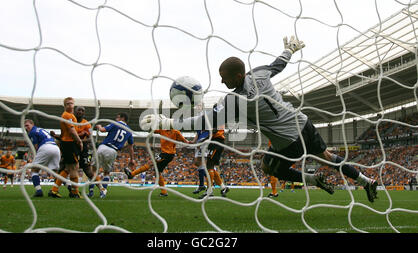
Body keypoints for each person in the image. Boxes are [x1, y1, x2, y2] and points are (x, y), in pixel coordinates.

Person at [141, 35, 379, 203]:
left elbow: (205, 121)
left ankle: (314, 180)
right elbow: (278, 65)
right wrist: (291, 49)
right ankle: (366, 180)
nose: (222, 82)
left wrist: (168, 123)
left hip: (288, 141)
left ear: (237, 75)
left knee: (267, 167)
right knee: (327, 156)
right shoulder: (259, 74)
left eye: (224, 78)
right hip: (302, 121)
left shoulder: (236, 101)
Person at [125, 129, 189, 197]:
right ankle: (164, 192)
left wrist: (190, 142)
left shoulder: (176, 132)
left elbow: (185, 141)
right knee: (157, 173)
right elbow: (151, 130)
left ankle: (132, 174)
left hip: (168, 154)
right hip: (164, 154)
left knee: (150, 163)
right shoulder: (162, 130)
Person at [48, 97, 84, 198]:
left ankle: (54, 190)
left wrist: (56, 136)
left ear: (74, 105)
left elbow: (65, 133)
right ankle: (74, 192)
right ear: (64, 106)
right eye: (67, 104)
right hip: (70, 144)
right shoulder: (67, 115)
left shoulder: (71, 115)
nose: (70, 105)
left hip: (67, 143)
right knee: (74, 168)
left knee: (69, 168)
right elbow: (72, 131)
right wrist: (80, 141)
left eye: (71, 103)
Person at [93, 112, 135, 198]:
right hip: (113, 151)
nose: (116, 119)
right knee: (106, 173)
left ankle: (91, 191)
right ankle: (103, 193)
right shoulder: (129, 131)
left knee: (93, 170)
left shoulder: (116, 124)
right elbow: (131, 147)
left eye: (118, 117)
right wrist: (132, 159)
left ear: (122, 118)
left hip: (103, 147)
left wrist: (99, 126)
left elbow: (102, 130)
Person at [73, 106, 106, 197]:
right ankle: (72, 191)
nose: (80, 112)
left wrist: (78, 140)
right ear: (75, 111)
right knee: (66, 167)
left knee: (88, 171)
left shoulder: (86, 124)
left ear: (84, 113)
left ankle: (102, 189)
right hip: (71, 148)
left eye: (82, 111)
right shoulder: (70, 121)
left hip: (83, 149)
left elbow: (89, 139)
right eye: (79, 110)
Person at [24, 119, 61, 197]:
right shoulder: (41, 129)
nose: (26, 128)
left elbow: (36, 146)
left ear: (32, 124)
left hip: (45, 147)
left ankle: (38, 191)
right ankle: (70, 188)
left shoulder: (32, 132)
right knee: (56, 172)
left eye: (27, 125)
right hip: (55, 148)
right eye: (25, 126)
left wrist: (36, 157)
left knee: (34, 170)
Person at [191, 128, 229, 199]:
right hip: (215, 142)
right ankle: (222, 187)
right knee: (210, 166)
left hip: (216, 142)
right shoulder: (216, 122)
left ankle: (209, 191)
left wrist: (203, 140)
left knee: (209, 165)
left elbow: (214, 131)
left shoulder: (215, 122)